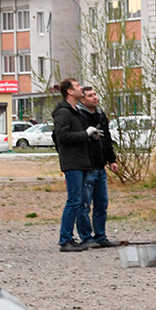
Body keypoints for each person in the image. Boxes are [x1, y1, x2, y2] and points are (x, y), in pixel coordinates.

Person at [53, 77, 95, 252]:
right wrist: (84, 134)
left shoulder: (75, 111)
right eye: (77, 86)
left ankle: (71, 238)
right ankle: (65, 239)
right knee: (73, 201)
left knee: (79, 201)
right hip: (72, 162)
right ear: (70, 91)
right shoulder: (63, 112)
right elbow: (62, 136)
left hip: (81, 161)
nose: (81, 88)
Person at [76, 84, 117, 248]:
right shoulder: (79, 116)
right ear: (83, 99)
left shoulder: (101, 115)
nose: (95, 97)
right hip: (87, 166)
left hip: (101, 166)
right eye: (91, 95)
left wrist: (112, 159)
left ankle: (101, 235)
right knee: (84, 204)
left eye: (95, 94)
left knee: (102, 203)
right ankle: (86, 237)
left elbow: (106, 139)